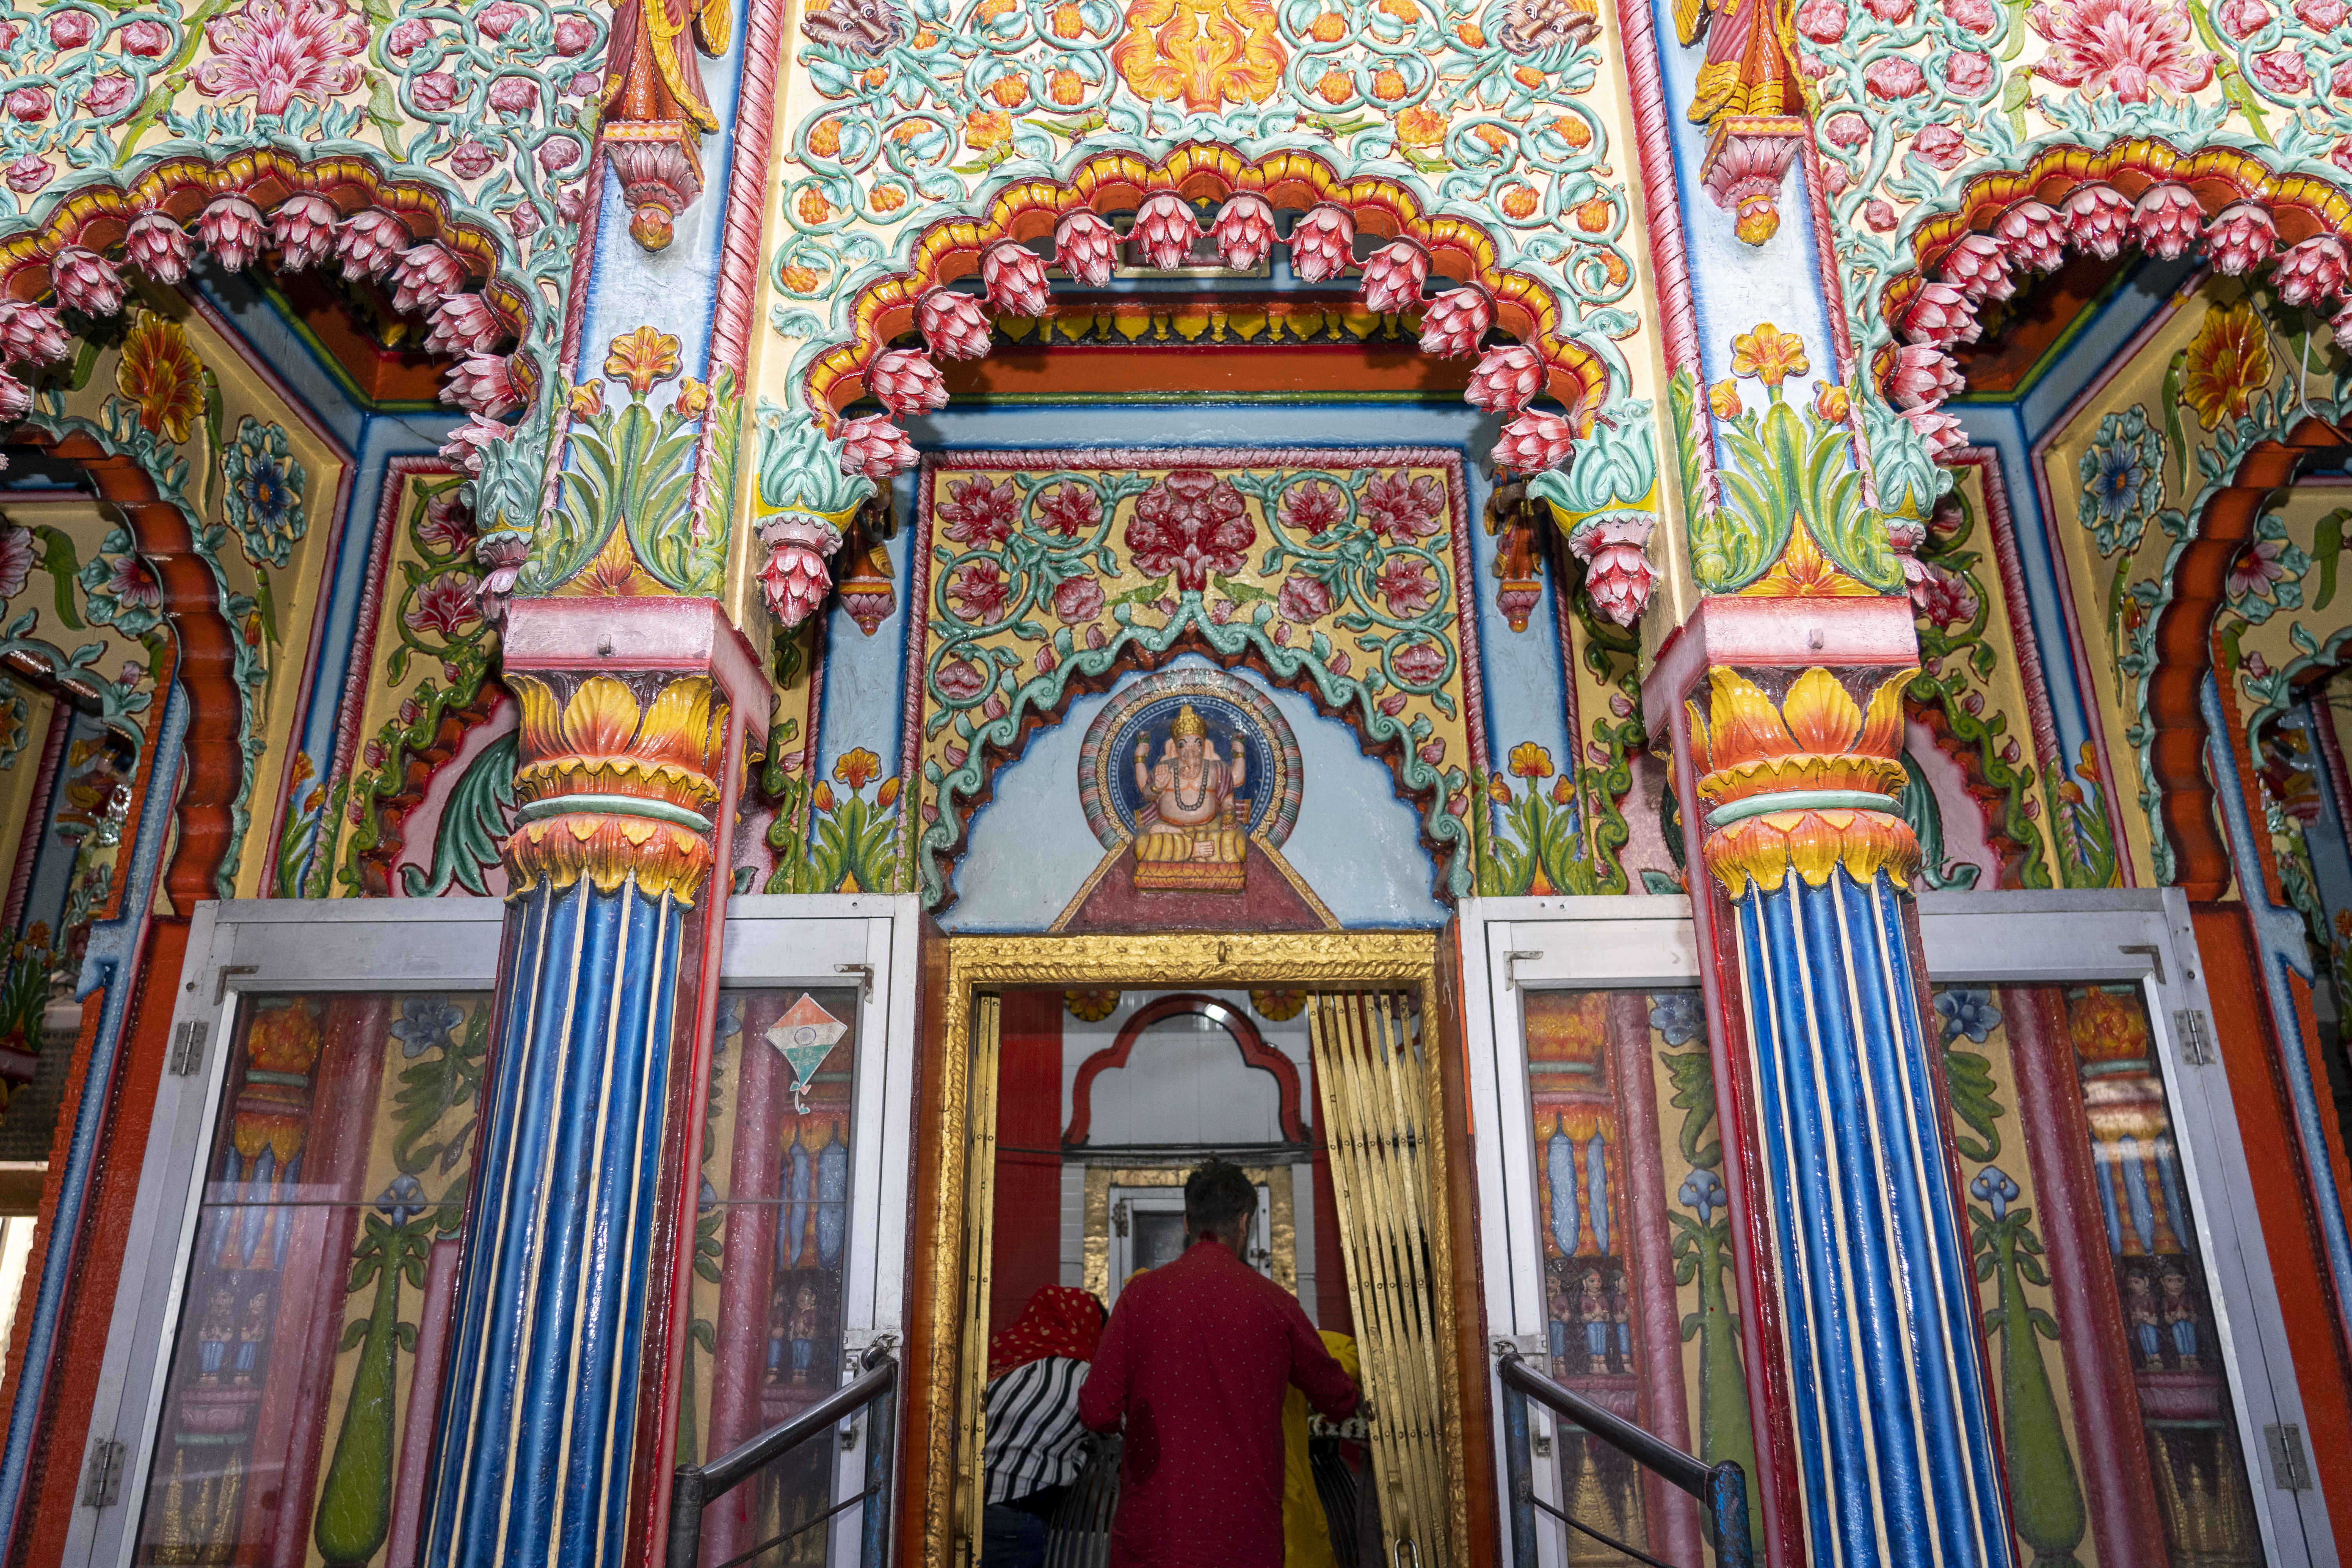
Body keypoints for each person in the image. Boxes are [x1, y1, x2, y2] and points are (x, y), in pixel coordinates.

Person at [1080, 1161, 1361, 1568]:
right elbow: (1338, 1398)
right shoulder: (1276, 1304)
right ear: (1245, 1222)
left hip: (1155, 1535)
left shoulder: (1140, 1298)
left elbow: (1096, 1409)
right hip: (1243, 1536)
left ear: (1186, 1221)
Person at [983, 1284, 1109, 1568]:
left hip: (961, 1506)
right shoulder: (1086, 1376)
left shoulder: (1000, 1359)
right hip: (1015, 1519)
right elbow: (1116, 1428)